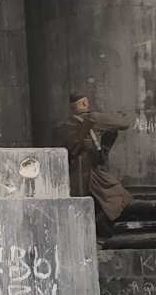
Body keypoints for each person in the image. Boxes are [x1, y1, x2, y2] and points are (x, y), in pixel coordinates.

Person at [55, 92, 134, 239]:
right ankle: (101, 229)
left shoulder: (64, 126)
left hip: (74, 176)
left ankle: (97, 233)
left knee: (88, 206)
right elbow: (124, 123)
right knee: (121, 198)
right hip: (93, 173)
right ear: (85, 103)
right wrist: (122, 115)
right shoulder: (93, 118)